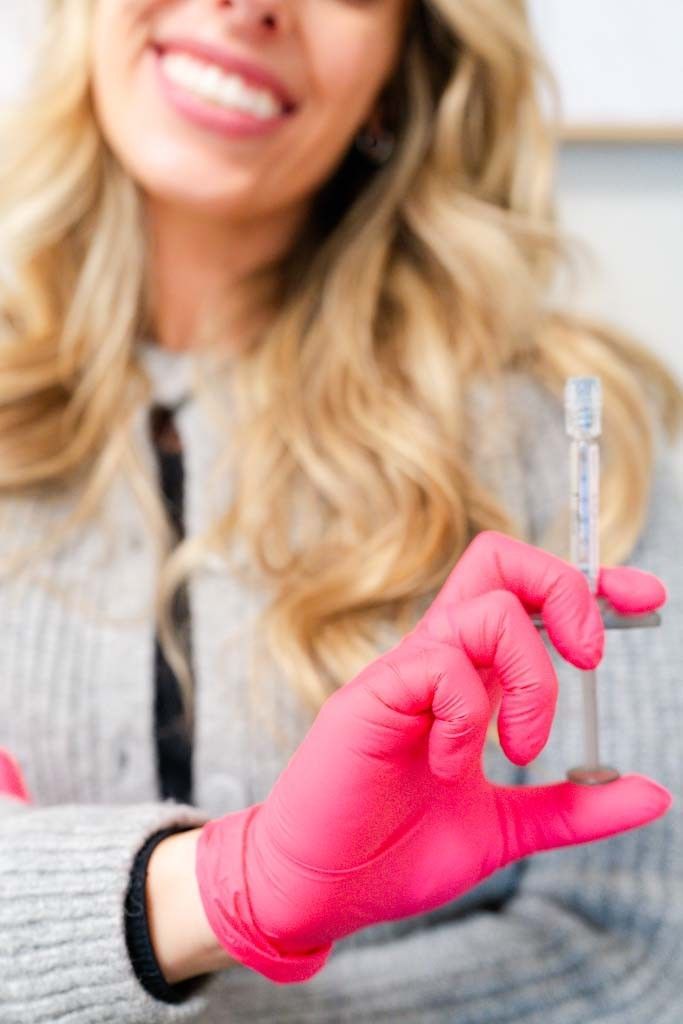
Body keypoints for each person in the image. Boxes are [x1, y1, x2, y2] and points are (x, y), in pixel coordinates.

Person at [0, 0, 681, 1021]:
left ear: (404, 64)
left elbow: (636, 953)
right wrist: (229, 885)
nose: (250, 5)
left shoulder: (564, 441)